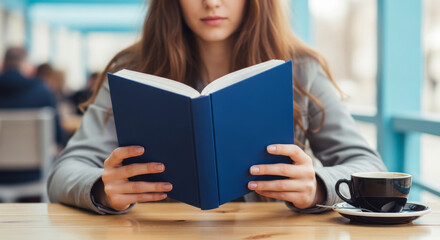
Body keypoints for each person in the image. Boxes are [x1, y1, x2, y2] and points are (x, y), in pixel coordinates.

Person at [47, 0, 386, 214]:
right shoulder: (131, 69)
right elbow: (65, 171)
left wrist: (317, 186)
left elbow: (370, 167)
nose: (211, 3)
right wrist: (103, 190)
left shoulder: (302, 69)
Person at [0, 47, 66, 184]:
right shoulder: (43, 91)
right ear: (26, 65)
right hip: (35, 172)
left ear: (3, 64)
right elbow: (58, 137)